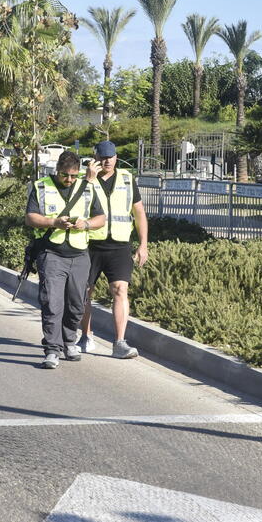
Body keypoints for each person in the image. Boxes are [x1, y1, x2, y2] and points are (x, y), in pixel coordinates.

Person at [25, 150, 106, 369]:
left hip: (80, 255)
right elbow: (30, 217)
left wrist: (86, 224)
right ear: (57, 170)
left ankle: (70, 341)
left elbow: (101, 218)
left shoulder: (87, 188)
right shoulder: (41, 186)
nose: (69, 180)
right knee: (52, 302)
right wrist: (53, 222)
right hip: (51, 254)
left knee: (77, 304)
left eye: (73, 176)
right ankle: (52, 349)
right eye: (64, 175)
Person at [79, 140, 149, 359]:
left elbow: (139, 214)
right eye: (102, 157)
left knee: (120, 290)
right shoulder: (85, 180)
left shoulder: (127, 180)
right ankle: (85, 336)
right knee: (84, 292)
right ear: (94, 157)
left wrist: (143, 244)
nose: (106, 161)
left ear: (116, 157)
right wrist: (88, 180)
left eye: (110, 157)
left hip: (119, 245)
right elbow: (76, 204)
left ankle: (119, 342)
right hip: (90, 244)